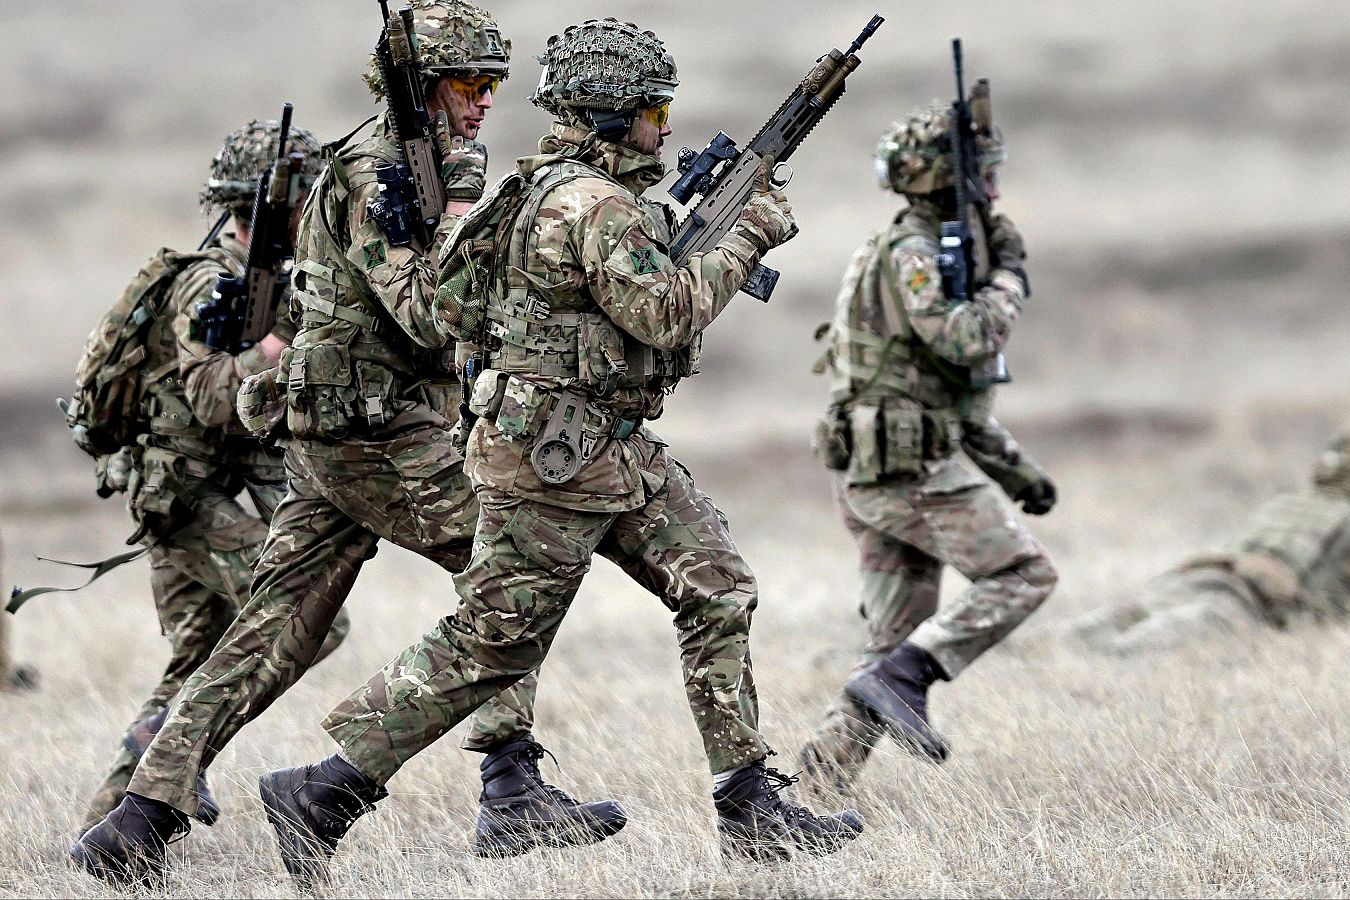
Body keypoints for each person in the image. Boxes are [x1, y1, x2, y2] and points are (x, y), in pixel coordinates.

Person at [256, 18, 862, 886]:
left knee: (718, 587)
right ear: (612, 115)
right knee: (491, 645)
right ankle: (323, 791)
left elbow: (469, 307)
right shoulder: (590, 204)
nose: (664, 127)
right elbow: (666, 313)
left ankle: (751, 807)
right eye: (654, 110)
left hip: (611, 446)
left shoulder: (544, 189)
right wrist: (750, 232)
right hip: (552, 459)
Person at [71, 3, 617, 887]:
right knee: (511, 574)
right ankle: (508, 785)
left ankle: (136, 821)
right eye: (468, 83)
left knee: (270, 634)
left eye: (492, 83)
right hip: (374, 433)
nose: (485, 100)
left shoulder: (414, 163)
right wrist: (468, 219)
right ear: (423, 85)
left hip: (340, 432)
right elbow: (428, 314)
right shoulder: (379, 171)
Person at [75, 119, 350, 836]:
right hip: (187, 499)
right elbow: (213, 398)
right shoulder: (210, 283)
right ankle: (171, 750)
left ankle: (112, 835)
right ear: (264, 204)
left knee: (198, 657)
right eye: (302, 197)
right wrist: (281, 345)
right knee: (310, 616)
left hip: (208, 492)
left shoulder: (272, 279)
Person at [796, 99, 1059, 796]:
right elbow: (963, 339)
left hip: (881, 465)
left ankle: (812, 792)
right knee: (1024, 574)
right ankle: (912, 675)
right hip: (904, 469)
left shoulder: (918, 245)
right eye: (982, 177)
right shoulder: (914, 253)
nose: (992, 191)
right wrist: (1008, 281)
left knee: (891, 641)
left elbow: (944, 392)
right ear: (943, 179)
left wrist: (1017, 473)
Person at [1066, 427, 1350, 654]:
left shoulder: (1286, 503)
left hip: (1199, 577)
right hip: (1242, 604)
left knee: (1087, 635)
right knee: (1136, 651)